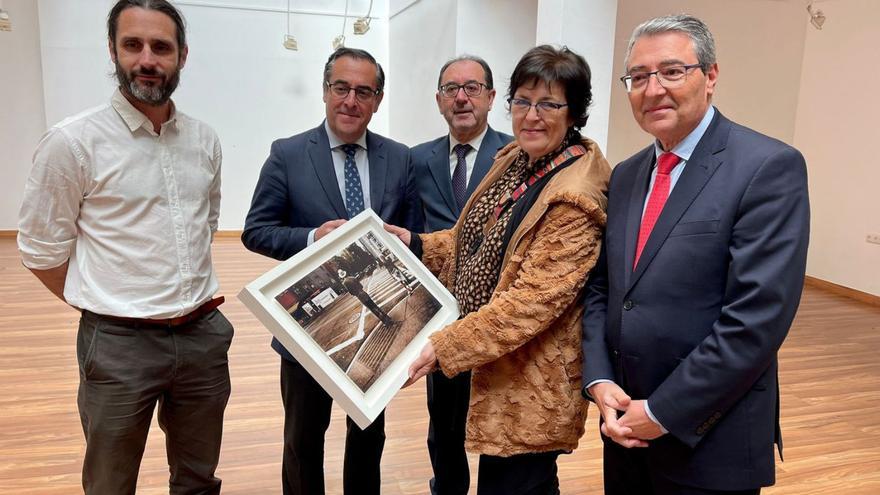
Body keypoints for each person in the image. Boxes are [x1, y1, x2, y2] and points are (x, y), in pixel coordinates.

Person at [581, 14, 810, 495]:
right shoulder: (626, 174)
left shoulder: (766, 167)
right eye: (638, 77)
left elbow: (756, 320)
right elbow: (604, 289)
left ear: (710, 76)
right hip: (624, 425)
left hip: (710, 436)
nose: (652, 89)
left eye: (671, 71)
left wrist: (663, 411)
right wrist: (600, 380)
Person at [17, 1, 233, 493]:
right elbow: (40, 249)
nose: (147, 59)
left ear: (182, 55)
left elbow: (206, 223)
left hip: (202, 338)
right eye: (132, 45)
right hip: (117, 345)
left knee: (198, 478)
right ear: (113, 51)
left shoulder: (204, 140)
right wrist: (109, 304)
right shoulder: (72, 142)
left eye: (161, 46)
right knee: (111, 483)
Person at [389, 45, 611, 495]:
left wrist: (443, 344)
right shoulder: (518, 160)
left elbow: (529, 303)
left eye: (549, 103)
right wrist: (415, 241)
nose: (532, 115)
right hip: (486, 353)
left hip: (531, 379)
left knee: (514, 486)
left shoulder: (576, 195)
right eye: (523, 101)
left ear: (575, 112)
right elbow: (472, 239)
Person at [241, 47, 422, 495]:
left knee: (368, 438)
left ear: (378, 100)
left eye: (364, 91)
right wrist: (310, 240)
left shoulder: (400, 159)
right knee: (303, 439)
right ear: (325, 91)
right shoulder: (287, 154)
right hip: (305, 331)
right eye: (341, 88)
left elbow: (414, 235)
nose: (351, 101)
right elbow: (256, 230)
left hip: (376, 324)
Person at [409, 54, 513, 495]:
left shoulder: (516, 156)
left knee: (497, 420)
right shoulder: (417, 160)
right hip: (440, 314)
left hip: (498, 318)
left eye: (472, 87)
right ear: (438, 100)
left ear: (491, 98)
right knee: (444, 425)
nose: (462, 97)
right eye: (451, 89)